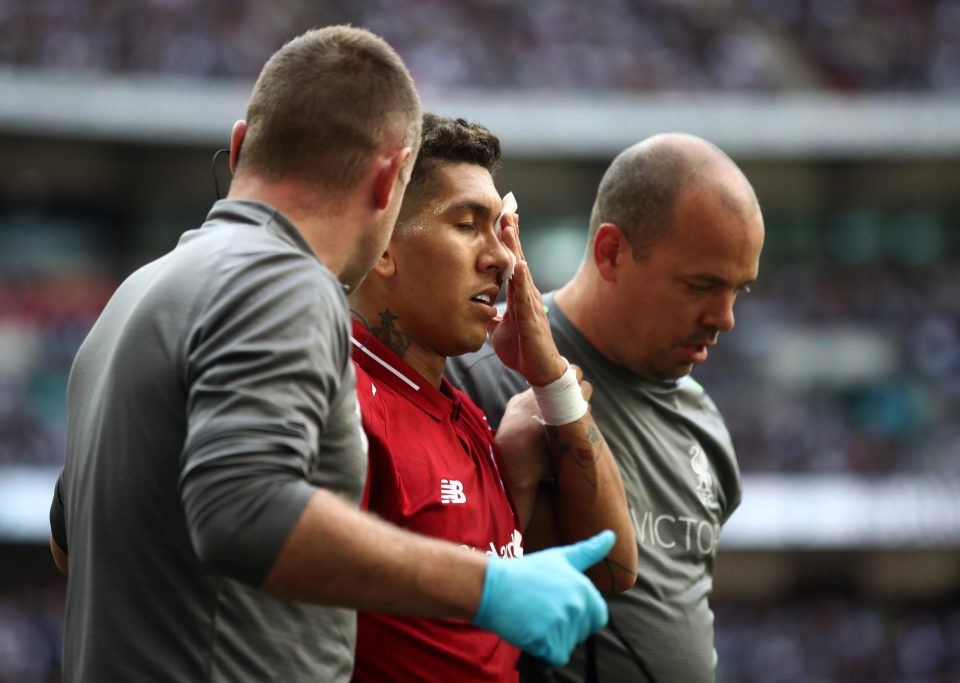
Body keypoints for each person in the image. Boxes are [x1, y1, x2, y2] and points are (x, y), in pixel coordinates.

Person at [47, 26, 616, 683]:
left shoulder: (136, 293)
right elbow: (244, 510)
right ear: (388, 183)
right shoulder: (285, 280)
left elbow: (71, 543)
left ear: (239, 148)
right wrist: (486, 584)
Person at [447, 132, 766, 682]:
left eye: (740, 290)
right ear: (612, 252)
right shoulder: (479, 374)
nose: (725, 317)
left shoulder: (705, 424)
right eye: (700, 286)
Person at [346, 114, 637, 683]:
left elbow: (612, 566)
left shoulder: (470, 417)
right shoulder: (345, 404)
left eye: (500, 228)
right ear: (382, 247)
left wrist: (552, 381)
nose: (503, 257)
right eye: (466, 224)